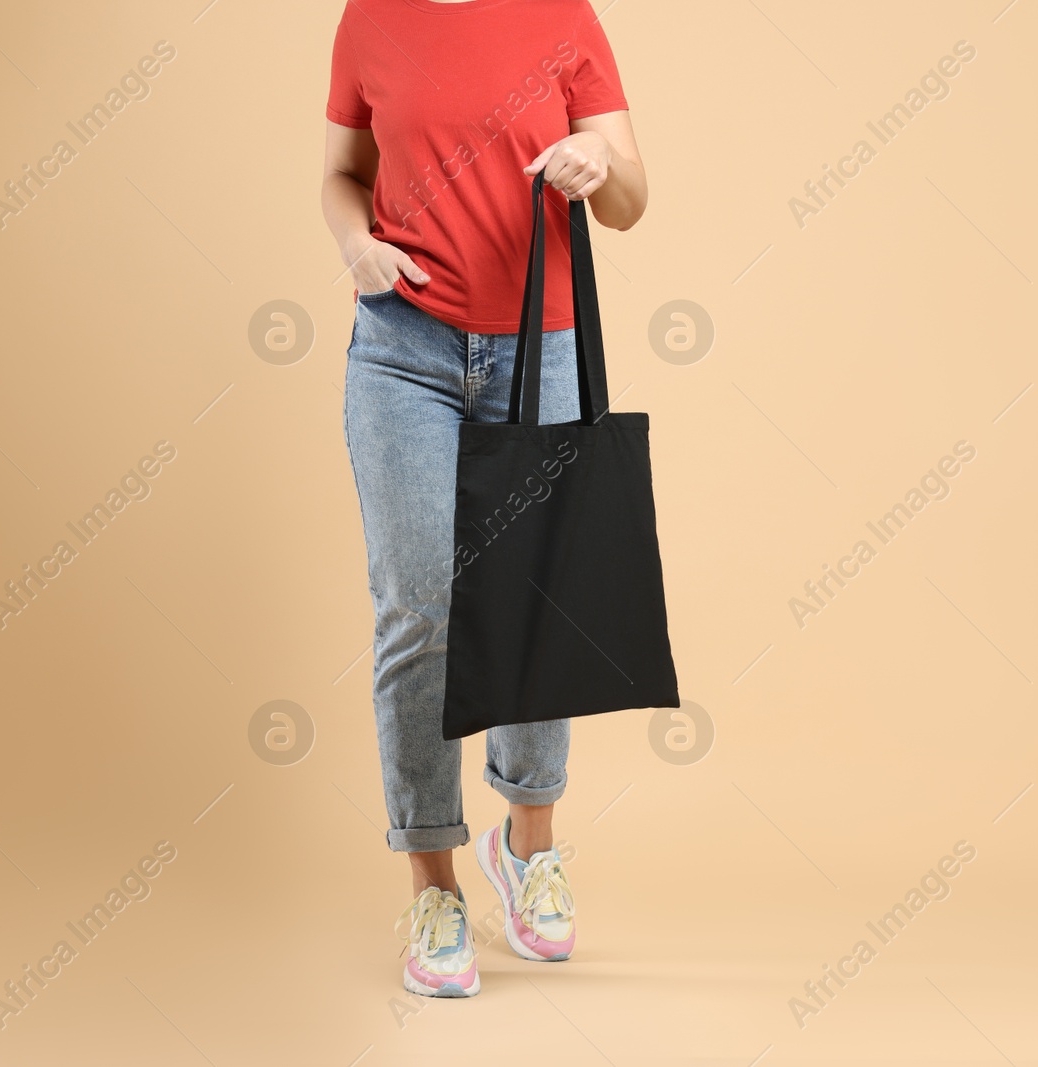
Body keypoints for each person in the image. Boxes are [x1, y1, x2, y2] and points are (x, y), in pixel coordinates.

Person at [320, 0, 647, 998]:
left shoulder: (563, 16)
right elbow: (342, 175)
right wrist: (355, 246)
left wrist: (599, 170)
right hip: (401, 351)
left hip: (535, 351)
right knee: (420, 608)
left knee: (536, 610)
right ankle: (432, 882)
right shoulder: (371, 17)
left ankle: (528, 846)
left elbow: (631, 196)